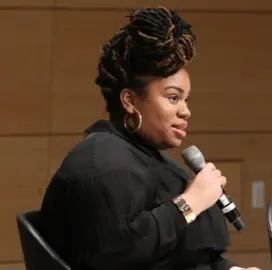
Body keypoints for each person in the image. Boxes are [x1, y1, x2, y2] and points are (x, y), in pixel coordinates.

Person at [39, 7, 260, 270]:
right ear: (130, 100)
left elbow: (181, 257)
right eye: (173, 97)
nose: (185, 110)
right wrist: (191, 201)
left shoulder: (145, 155)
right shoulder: (103, 163)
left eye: (186, 100)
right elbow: (124, 252)